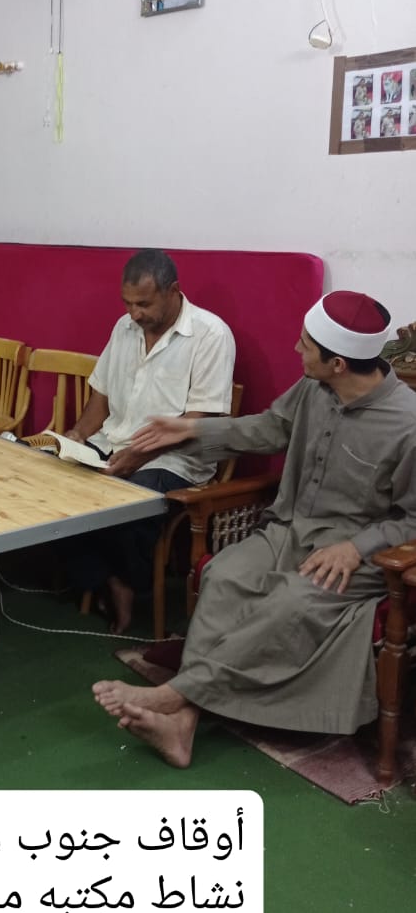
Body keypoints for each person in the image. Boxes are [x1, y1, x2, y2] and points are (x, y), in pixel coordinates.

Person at [92, 291, 416, 768]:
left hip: (354, 558)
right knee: (223, 576)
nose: (296, 349)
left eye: (306, 345)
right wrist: (191, 431)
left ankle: (176, 697)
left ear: (338, 364)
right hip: (288, 530)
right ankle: (184, 723)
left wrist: (356, 547)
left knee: (290, 603)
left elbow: (412, 518)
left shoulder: (409, 424)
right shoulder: (314, 387)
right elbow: (269, 428)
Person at [63, 249, 235, 633]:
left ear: (173, 291)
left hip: (176, 458)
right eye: (127, 303)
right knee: (53, 484)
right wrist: (78, 436)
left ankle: (126, 585)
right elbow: (100, 397)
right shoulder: (124, 328)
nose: (134, 314)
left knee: (131, 499)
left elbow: (200, 421)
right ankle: (105, 578)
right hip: (114, 442)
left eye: (143, 304)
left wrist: (137, 456)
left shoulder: (210, 334)